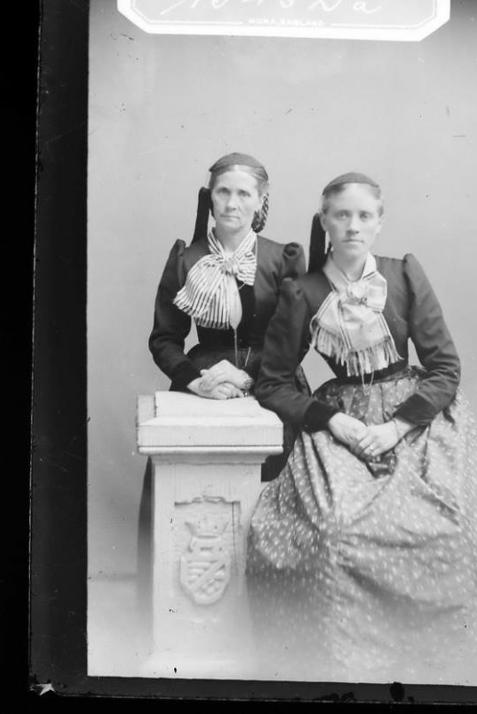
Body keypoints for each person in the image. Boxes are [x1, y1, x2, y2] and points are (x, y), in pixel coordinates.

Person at [246, 172, 477, 684]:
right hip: (340, 420)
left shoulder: (403, 274)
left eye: (364, 215)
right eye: (341, 215)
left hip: (414, 416)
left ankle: (448, 666)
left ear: (379, 222)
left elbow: (445, 368)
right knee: (334, 529)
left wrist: (397, 427)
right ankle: (343, 671)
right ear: (325, 221)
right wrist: (333, 421)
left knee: (452, 521)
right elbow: (273, 382)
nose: (353, 226)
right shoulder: (302, 292)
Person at [139, 152, 307, 619]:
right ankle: (193, 610)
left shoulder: (283, 259)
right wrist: (197, 382)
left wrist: (252, 378)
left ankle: (269, 607)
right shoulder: (186, 259)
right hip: (205, 379)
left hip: (274, 378)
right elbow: (164, 338)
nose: (232, 203)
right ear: (210, 198)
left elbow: (298, 338)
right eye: (223, 192)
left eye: (244, 193)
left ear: (261, 201)